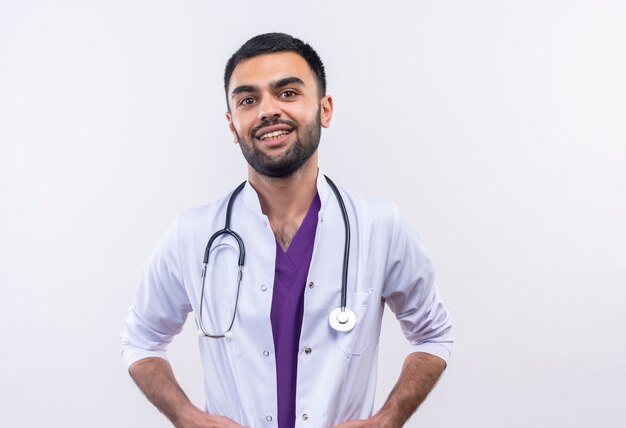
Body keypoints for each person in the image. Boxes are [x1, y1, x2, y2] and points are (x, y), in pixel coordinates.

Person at [121, 32, 453, 428]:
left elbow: (433, 335)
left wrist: (388, 419)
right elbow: (140, 341)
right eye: (248, 100)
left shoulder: (379, 226)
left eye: (288, 93)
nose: (267, 111)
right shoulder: (193, 234)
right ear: (232, 125)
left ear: (324, 110)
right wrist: (187, 417)